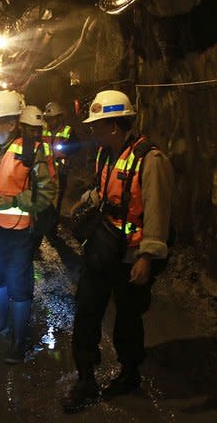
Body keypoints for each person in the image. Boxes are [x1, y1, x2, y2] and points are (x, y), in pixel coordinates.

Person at [61, 90, 174, 413]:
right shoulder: (105, 154)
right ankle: (85, 377)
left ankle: (129, 371)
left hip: (131, 254)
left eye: (97, 125)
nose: (92, 131)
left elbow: (157, 210)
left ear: (114, 126)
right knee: (86, 309)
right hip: (103, 245)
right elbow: (106, 189)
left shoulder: (150, 160)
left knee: (127, 316)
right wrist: (88, 201)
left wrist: (146, 258)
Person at [0, 91, 57, 364]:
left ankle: (19, 340)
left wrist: (11, 201)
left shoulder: (31, 150)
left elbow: (46, 194)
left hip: (19, 232)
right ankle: (0, 325)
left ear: (11, 124)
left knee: (19, 286)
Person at [19, 106, 57, 257]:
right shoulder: (15, 147)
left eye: (38, 130)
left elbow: (50, 174)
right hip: (21, 200)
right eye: (32, 130)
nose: (36, 134)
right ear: (22, 128)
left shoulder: (44, 147)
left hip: (38, 198)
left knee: (38, 231)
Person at [42, 101, 80, 238]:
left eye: (52, 118)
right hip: (45, 170)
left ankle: (51, 229)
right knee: (44, 197)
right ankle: (44, 225)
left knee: (56, 200)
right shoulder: (43, 130)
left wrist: (65, 153)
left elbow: (77, 146)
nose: (50, 121)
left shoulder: (68, 131)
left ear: (59, 118)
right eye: (48, 118)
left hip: (61, 171)